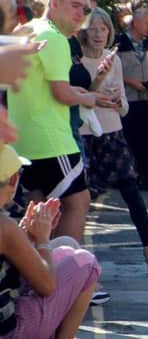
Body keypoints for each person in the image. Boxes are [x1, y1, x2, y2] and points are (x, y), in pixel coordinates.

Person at [78, 7, 148, 274]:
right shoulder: (76, 60)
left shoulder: (113, 59)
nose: (98, 34)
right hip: (85, 134)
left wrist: (118, 102)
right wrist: (99, 83)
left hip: (112, 132)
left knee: (131, 189)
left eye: (103, 28)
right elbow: (79, 99)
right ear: (83, 31)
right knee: (82, 199)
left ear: (110, 32)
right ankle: (77, 258)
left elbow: (124, 106)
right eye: (92, 28)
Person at [8, 0, 97, 243]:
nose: (80, 14)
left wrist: (77, 93)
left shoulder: (28, 28)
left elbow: (42, 87)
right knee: (78, 201)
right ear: (54, 3)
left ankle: (35, 276)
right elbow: (60, 93)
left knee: (38, 210)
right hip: (51, 141)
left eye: (84, 9)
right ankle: (67, 273)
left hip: (23, 140)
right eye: (75, 6)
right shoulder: (55, 38)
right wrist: (87, 99)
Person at [0, 143, 101, 338]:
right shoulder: (4, 226)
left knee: (66, 245)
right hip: (9, 330)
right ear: (13, 179)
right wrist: (42, 239)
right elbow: (46, 286)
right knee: (87, 263)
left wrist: (24, 235)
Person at [117, 6, 148, 191]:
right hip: (126, 99)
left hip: (146, 98)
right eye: (147, 23)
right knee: (127, 139)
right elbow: (111, 72)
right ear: (135, 22)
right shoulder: (119, 42)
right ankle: (127, 179)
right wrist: (131, 82)